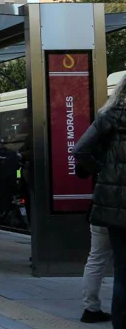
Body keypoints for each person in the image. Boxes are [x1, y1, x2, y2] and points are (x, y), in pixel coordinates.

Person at [73, 74, 126, 327]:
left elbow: (80, 151)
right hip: (112, 206)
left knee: (101, 259)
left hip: (106, 205)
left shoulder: (108, 118)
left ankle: (92, 307)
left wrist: (102, 171)